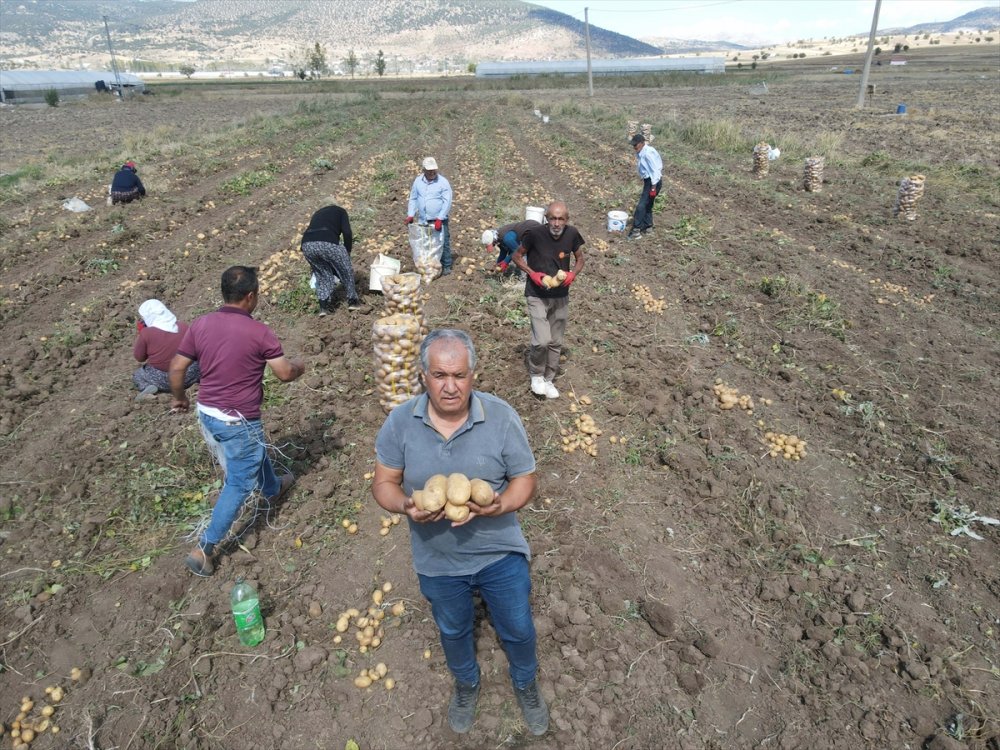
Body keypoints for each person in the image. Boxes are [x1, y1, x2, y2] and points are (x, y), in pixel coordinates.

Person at [372, 329, 548, 736]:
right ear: (423, 375)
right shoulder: (400, 422)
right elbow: (383, 484)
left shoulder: (501, 416)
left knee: (518, 626)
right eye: (439, 375)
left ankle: (525, 681)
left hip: (499, 550)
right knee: (452, 629)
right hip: (438, 558)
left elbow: (525, 478)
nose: (450, 387)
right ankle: (466, 683)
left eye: (459, 375)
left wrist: (498, 505)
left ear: (473, 373)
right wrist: (406, 505)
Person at [169, 266, 306, 577]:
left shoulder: (201, 324)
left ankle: (272, 488)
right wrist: (299, 366)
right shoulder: (259, 332)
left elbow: (176, 369)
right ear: (251, 296)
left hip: (207, 413)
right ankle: (204, 548)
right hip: (237, 421)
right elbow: (283, 373)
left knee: (251, 453)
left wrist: (179, 397)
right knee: (240, 482)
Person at [511, 201, 585, 400]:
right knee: (542, 340)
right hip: (536, 294)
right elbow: (517, 256)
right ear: (546, 218)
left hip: (561, 295)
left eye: (561, 219)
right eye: (552, 218)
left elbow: (580, 259)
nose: (556, 223)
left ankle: (548, 378)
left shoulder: (572, 234)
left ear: (567, 220)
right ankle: (536, 374)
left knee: (555, 341)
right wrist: (532, 274)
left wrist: (572, 274)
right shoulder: (535, 234)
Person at [300, 201, 362, 314]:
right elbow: (347, 232)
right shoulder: (341, 211)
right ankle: (353, 301)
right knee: (345, 269)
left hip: (307, 245)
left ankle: (324, 307)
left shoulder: (317, 213)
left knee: (322, 273)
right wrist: (347, 251)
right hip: (327, 242)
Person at [132, 299, 199, 400]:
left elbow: (139, 357)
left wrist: (142, 335)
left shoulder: (146, 334)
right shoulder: (183, 326)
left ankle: (146, 388)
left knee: (138, 375)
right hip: (191, 374)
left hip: (164, 380)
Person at [406, 157, 453, 276]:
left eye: (434, 170)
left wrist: (440, 218)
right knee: (426, 243)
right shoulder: (418, 181)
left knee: (443, 242)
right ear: (424, 170)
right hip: (423, 219)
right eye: (429, 170)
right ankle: (429, 265)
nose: (432, 173)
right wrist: (411, 214)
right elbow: (413, 198)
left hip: (439, 220)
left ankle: (446, 265)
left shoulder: (443, 182)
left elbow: (447, 201)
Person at [627, 134, 662, 240]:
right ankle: (648, 227)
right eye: (633, 145)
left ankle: (636, 231)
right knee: (648, 204)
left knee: (641, 205)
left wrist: (653, 187)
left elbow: (655, 170)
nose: (634, 147)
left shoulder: (647, 154)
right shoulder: (641, 152)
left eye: (636, 145)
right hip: (650, 181)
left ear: (642, 143)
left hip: (653, 181)